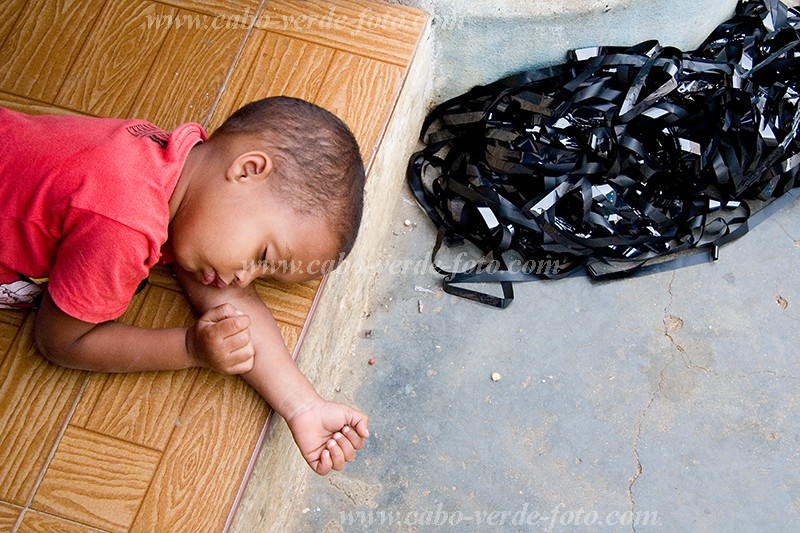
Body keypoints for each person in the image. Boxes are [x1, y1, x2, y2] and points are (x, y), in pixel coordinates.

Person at [0, 97, 369, 475]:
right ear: (247, 169)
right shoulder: (124, 226)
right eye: (262, 256)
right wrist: (189, 347)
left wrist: (303, 405)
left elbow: (232, 302)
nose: (245, 278)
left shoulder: (178, 166)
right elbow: (61, 340)